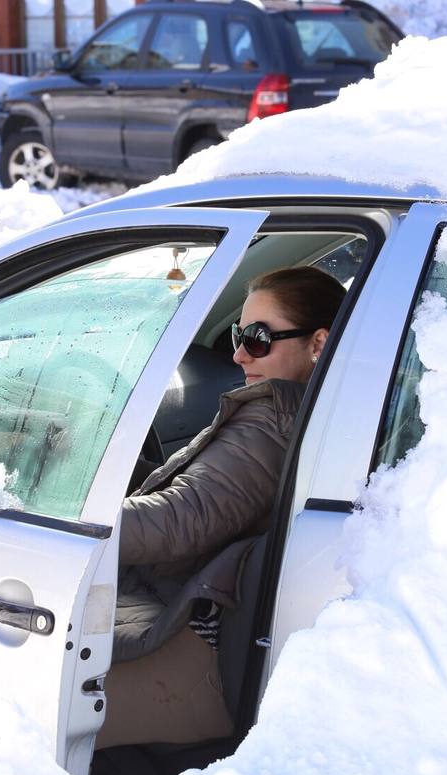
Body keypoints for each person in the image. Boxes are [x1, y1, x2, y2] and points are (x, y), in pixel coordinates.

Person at [96, 265, 346, 749]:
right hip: (179, 600)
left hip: (173, 627)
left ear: (318, 345)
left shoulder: (271, 420)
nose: (236, 353)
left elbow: (179, 521)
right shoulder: (304, 415)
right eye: (237, 333)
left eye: (258, 338)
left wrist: (65, 522)